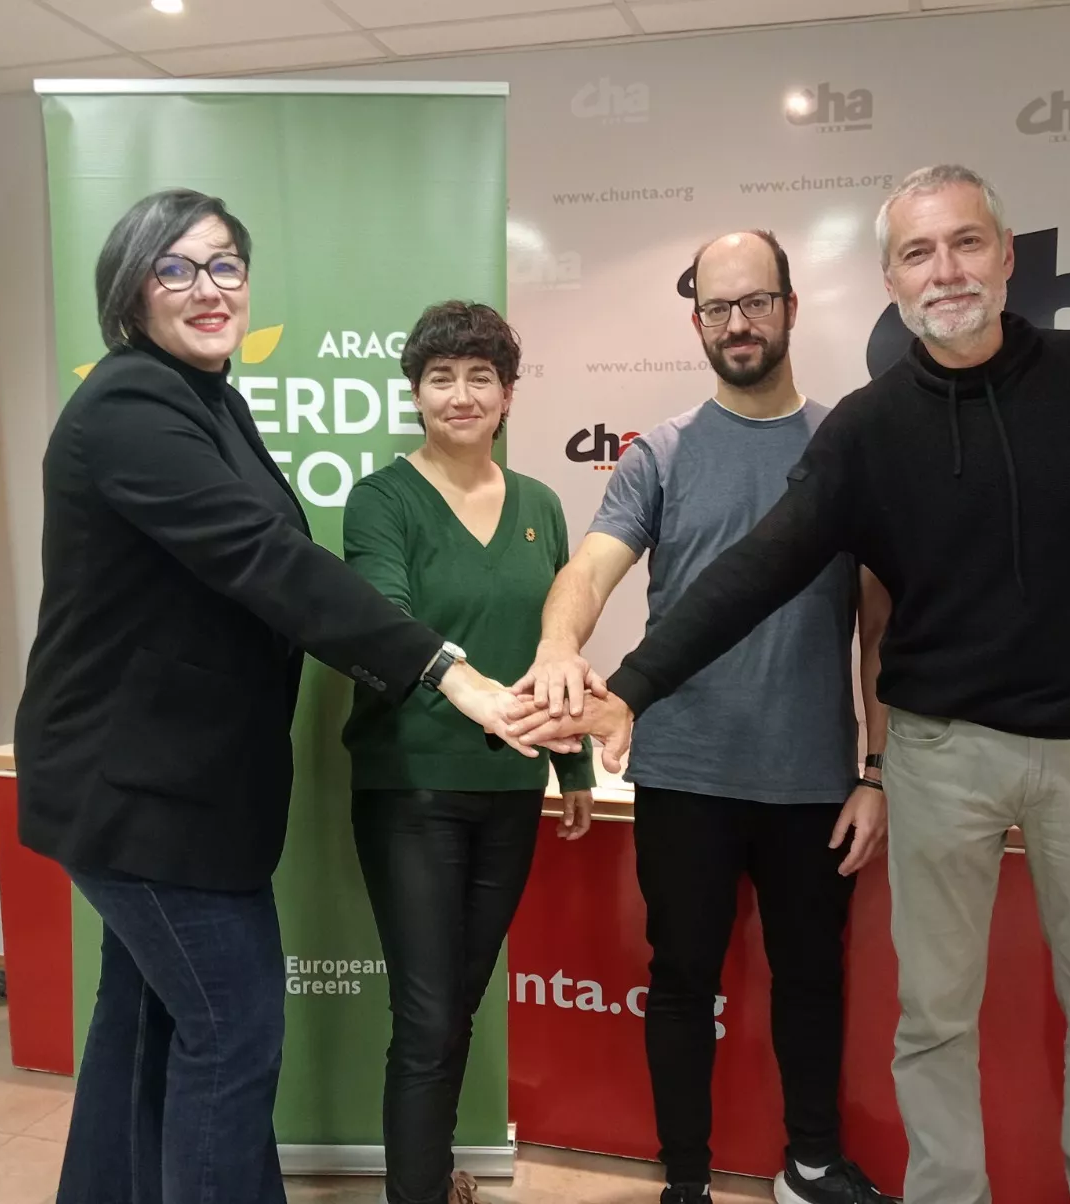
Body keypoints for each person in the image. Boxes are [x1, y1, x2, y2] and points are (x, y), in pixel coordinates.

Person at [513, 165, 1070, 1204]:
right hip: (854, 756)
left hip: (994, 753)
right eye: (918, 252)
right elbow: (738, 570)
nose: (945, 270)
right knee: (895, 1012)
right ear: (887, 279)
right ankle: (739, 1182)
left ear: (1005, 257)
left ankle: (882, 1167)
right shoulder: (821, 434)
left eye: (964, 244)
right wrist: (619, 681)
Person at [14, 190, 567, 1204]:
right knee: (231, 1036)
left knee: (145, 1029)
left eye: (224, 264)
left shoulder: (207, 396)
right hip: (139, 796)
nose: (208, 287)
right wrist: (449, 669)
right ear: (130, 289)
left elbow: (273, 559)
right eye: (174, 268)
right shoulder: (130, 405)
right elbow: (268, 559)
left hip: (185, 794)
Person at [515, 231, 892, 1204]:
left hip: (813, 778)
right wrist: (560, 645)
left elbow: (876, 629)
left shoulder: (843, 451)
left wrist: (876, 768)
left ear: (791, 309)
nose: (738, 323)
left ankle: (809, 1163)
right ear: (696, 321)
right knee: (681, 977)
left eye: (755, 302)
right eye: (718, 307)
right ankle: (683, 1179)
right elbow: (590, 569)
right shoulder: (663, 453)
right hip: (683, 770)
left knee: (811, 979)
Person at [340, 300, 597, 1204]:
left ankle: (434, 1172)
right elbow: (386, 624)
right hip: (410, 787)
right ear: (415, 393)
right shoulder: (381, 500)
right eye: (441, 377)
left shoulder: (539, 504)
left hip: (511, 785)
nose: (461, 394)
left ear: (508, 394)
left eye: (479, 376)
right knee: (425, 1015)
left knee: (460, 1004)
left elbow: (552, 648)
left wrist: (571, 766)